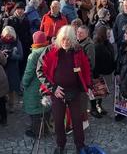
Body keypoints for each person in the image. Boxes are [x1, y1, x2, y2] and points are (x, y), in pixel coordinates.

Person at [36, 25, 91, 154]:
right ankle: (60, 145)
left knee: (78, 120)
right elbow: (40, 71)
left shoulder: (78, 50)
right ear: (59, 39)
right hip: (57, 92)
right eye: (63, 39)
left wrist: (87, 85)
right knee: (59, 120)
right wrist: (53, 88)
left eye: (69, 40)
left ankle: (80, 145)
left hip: (75, 91)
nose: (66, 42)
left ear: (73, 39)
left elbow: (87, 67)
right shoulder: (50, 50)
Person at [22, 31, 50, 138]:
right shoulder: (49, 50)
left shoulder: (34, 55)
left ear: (34, 41)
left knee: (35, 110)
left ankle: (38, 132)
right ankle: (46, 129)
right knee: (45, 108)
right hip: (47, 84)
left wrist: (24, 83)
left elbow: (29, 73)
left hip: (34, 85)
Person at [0, 26, 23, 113]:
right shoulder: (0, 41)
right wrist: (2, 54)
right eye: (7, 35)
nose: (8, 37)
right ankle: (4, 103)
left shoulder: (16, 42)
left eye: (10, 35)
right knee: (2, 87)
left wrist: (11, 55)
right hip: (2, 68)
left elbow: (21, 56)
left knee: (11, 88)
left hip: (12, 68)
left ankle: (11, 105)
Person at [91, 26, 115, 116]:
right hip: (98, 73)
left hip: (106, 72)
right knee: (95, 92)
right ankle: (93, 108)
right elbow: (95, 61)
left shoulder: (108, 44)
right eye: (108, 34)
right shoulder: (97, 46)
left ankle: (99, 105)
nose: (109, 35)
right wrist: (95, 74)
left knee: (102, 92)